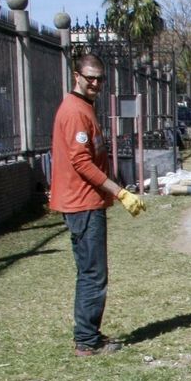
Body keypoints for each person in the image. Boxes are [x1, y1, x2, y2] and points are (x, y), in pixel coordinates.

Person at [48, 52, 145, 355]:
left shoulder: (84, 107)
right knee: (93, 273)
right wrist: (119, 192)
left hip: (88, 202)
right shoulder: (75, 111)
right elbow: (82, 163)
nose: (94, 83)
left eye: (99, 78)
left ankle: (89, 335)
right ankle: (87, 342)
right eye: (89, 77)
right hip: (82, 203)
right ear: (75, 75)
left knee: (91, 271)